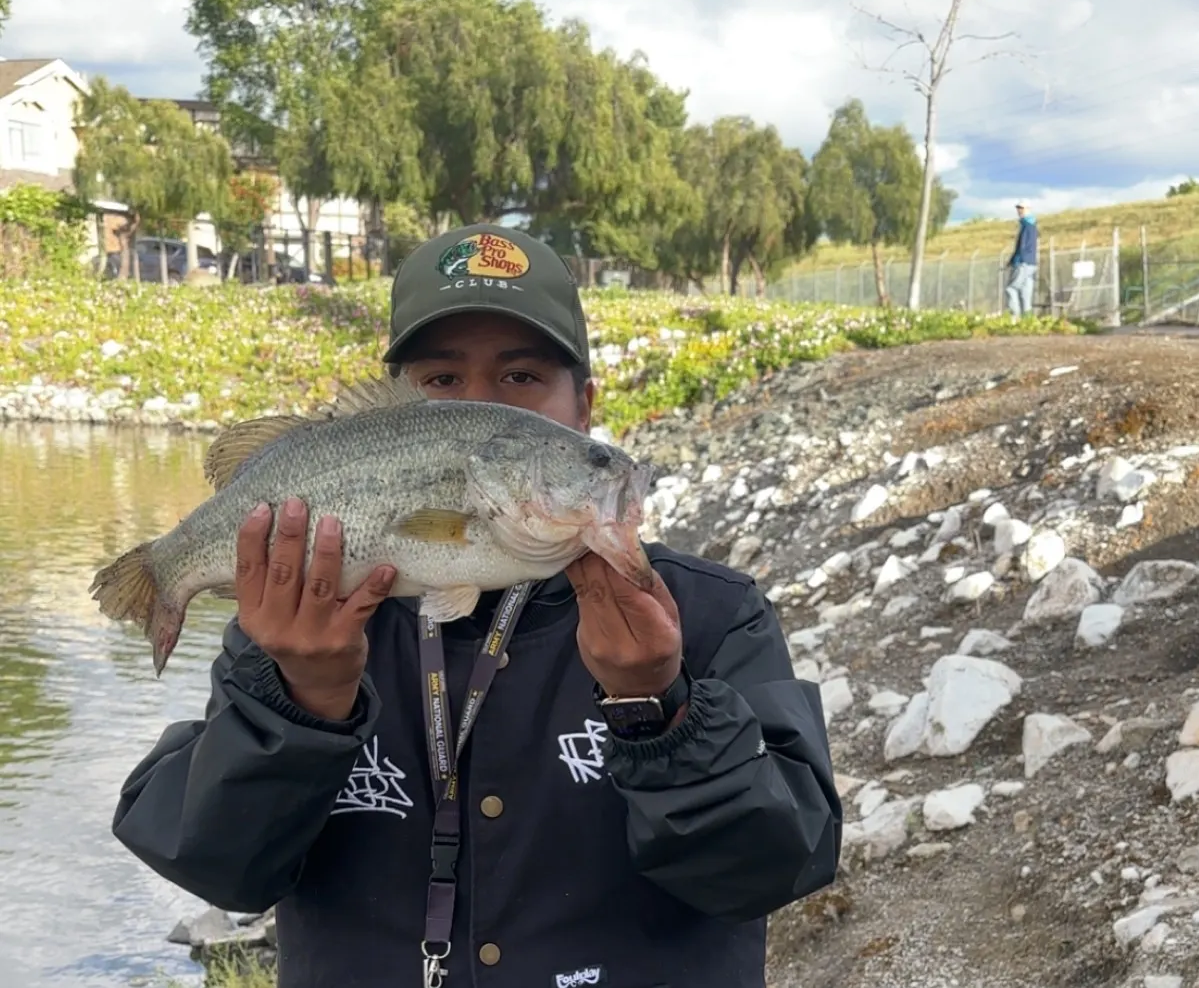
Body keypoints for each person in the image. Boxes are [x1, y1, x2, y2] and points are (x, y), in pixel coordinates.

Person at [110, 223, 843, 988]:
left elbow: (777, 868)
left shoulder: (711, 617)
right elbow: (220, 869)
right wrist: (299, 706)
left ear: (584, 408)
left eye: (523, 378)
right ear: (395, 410)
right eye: (441, 382)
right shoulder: (293, 631)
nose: (483, 406)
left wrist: (656, 709)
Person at [1006, 199, 1038, 318]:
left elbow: (1022, 247)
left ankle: (1015, 317)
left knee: (1011, 288)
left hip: (1023, 263)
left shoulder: (1027, 226)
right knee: (1026, 292)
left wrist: (1016, 260)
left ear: (1028, 209)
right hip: (1031, 263)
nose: (1019, 211)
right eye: (1018, 208)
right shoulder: (1031, 225)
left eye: (1022, 208)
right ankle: (1028, 319)